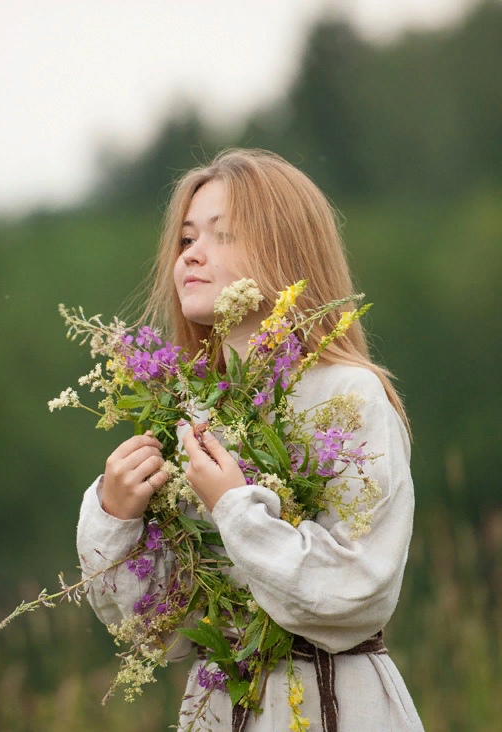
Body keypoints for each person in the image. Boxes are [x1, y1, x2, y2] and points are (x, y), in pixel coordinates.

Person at [76, 149, 423, 731]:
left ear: (285, 249)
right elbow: (162, 633)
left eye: (222, 233)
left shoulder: (349, 395)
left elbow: (356, 591)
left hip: (334, 706)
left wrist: (235, 509)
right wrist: (117, 517)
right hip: (222, 710)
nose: (191, 253)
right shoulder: (188, 411)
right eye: (186, 237)